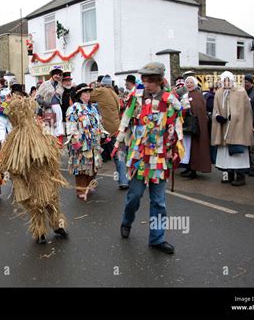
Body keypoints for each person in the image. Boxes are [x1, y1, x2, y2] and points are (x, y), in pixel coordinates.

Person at [115, 62, 184, 255]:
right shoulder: (136, 97)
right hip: (138, 156)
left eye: (149, 81)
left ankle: (157, 238)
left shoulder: (170, 100)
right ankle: (127, 221)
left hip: (160, 158)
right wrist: (119, 141)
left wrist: (173, 147)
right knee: (134, 196)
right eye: (144, 80)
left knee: (159, 202)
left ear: (159, 81)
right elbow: (126, 120)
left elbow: (176, 127)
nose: (145, 84)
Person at [0, 96, 68, 245]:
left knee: (50, 203)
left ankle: (56, 226)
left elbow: (51, 154)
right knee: (39, 205)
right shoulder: (16, 138)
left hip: (44, 175)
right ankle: (41, 232)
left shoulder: (33, 133)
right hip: (32, 178)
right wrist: (18, 182)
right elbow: (12, 166)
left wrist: (52, 169)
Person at [211, 71, 254, 186]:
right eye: (224, 80)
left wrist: (235, 116)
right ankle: (229, 174)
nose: (226, 82)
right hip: (224, 127)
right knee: (225, 152)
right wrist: (217, 116)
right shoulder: (219, 93)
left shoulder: (240, 92)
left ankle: (240, 175)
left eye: (228, 80)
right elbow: (216, 108)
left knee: (237, 152)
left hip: (237, 127)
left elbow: (245, 109)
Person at [66, 84, 105, 201]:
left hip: (94, 141)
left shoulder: (93, 108)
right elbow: (71, 125)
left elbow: (98, 123)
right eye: (85, 92)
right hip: (81, 142)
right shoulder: (74, 108)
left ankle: (88, 185)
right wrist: (74, 140)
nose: (88, 94)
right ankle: (80, 189)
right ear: (79, 95)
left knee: (94, 165)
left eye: (89, 92)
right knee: (81, 166)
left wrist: (103, 134)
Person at [180, 76, 212, 179]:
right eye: (187, 82)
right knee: (187, 148)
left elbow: (200, 112)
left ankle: (193, 169)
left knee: (194, 148)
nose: (189, 84)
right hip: (187, 126)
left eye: (191, 82)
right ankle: (188, 167)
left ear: (195, 84)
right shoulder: (185, 95)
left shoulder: (198, 96)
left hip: (195, 127)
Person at [89, 74, 120, 162]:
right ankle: (109, 158)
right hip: (115, 124)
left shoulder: (102, 90)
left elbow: (89, 96)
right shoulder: (114, 92)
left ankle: (117, 164)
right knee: (111, 145)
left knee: (112, 148)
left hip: (107, 124)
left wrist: (94, 86)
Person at [35, 68, 65, 144]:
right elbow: (37, 97)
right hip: (48, 108)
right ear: (52, 75)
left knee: (58, 124)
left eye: (59, 74)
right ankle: (50, 144)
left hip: (58, 107)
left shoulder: (60, 85)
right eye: (56, 74)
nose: (57, 76)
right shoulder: (45, 84)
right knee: (49, 126)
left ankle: (59, 143)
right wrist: (45, 103)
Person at [244, 74, 254, 177]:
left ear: (251, 83)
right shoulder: (243, 93)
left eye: (247, 82)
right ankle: (248, 166)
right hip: (245, 124)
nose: (245, 84)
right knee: (246, 147)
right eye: (244, 82)